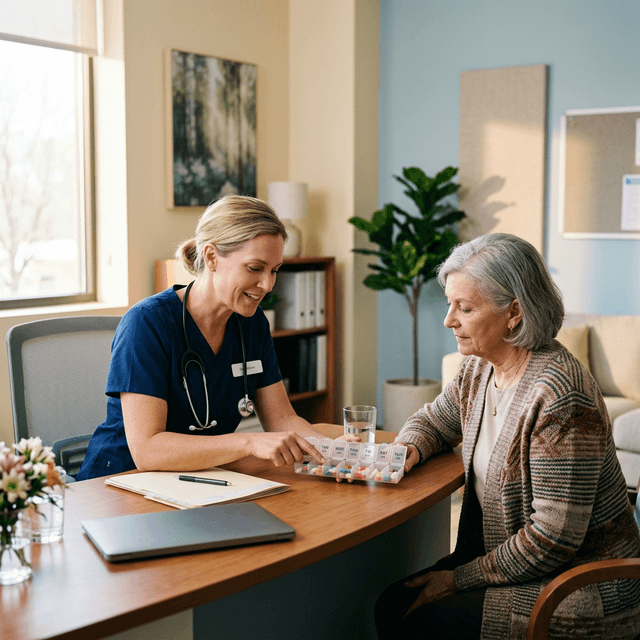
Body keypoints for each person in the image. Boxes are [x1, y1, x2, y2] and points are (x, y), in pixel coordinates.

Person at [375, 233, 640, 639]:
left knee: (422, 622)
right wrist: (408, 447)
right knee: (394, 604)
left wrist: (457, 579)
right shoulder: (479, 369)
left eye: (465, 308)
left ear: (513, 312)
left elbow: (552, 540)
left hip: (579, 585)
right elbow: (434, 420)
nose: (449, 320)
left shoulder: (560, 397)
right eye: (450, 305)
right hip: (515, 564)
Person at [76, 195, 326, 480]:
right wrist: (250, 442)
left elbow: (282, 419)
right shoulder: (148, 323)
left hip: (197, 479)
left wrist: (330, 450)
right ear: (211, 257)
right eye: (255, 268)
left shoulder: (251, 323)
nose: (267, 285)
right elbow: (147, 450)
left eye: (274, 271)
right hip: (121, 482)